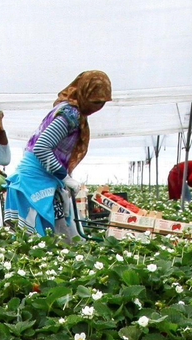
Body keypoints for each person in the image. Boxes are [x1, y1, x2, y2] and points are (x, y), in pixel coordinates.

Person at [7, 71, 113, 239]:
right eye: (95, 102)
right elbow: (41, 148)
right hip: (33, 183)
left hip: (44, 179)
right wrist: (65, 177)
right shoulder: (69, 115)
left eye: (102, 103)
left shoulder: (72, 111)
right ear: (84, 94)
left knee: (56, 237)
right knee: (43, 242)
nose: (98, 108)